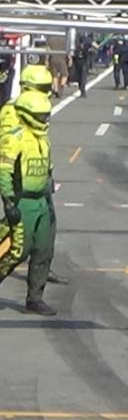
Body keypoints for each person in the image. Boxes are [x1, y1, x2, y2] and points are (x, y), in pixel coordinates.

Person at [0, 91, 58, 315]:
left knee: (43, 249)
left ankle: (35, 298)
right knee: (15, 251)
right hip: (22, 201)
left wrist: (50, 185)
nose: (45, 119)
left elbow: (48, 166)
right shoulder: (15, 138)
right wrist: (8, 202)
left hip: (42, 201)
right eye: (41, 116)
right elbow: (4, 171)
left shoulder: (43, 138)